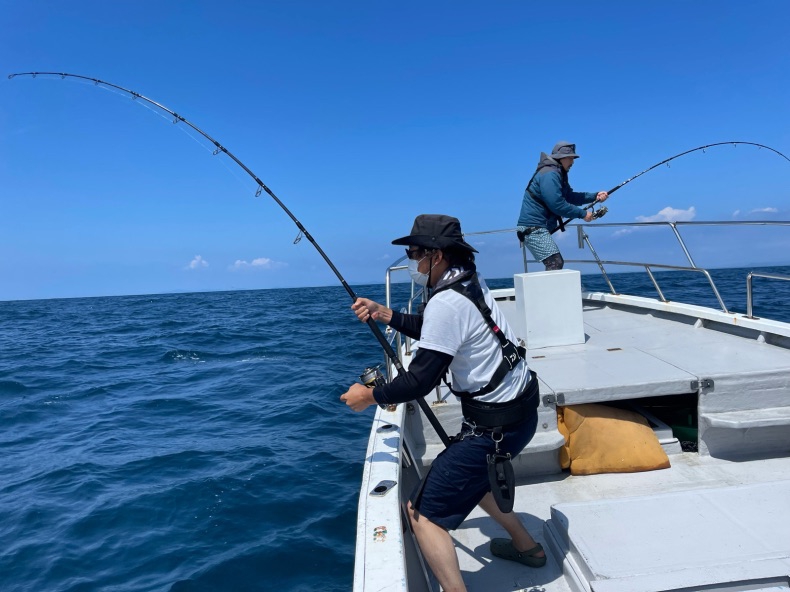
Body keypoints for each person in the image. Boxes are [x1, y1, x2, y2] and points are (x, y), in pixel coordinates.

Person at [340, 214, 545, 592]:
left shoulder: (446, 302)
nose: (410, 261)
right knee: (473, 478)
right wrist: (386, 314)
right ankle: (527, 547)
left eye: (414, 252)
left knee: (421, 514)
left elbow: (421, 379)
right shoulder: (468, 279)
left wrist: (368, 397)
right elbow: (439, 332)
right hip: (521, 413)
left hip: (494, 429)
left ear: (435, 255)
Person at [516, 141, 609, 270]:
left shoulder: (557, 173)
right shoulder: (550, 174)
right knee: (555, 262)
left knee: (555, 263)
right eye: (571, 158)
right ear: (562, 158)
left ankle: (550, 290)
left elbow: (569, 197)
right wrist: (582, 214)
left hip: (538, 227)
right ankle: (550, 291)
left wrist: (595, 196)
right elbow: (557, 204)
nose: (573, 162)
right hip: (533, 228)